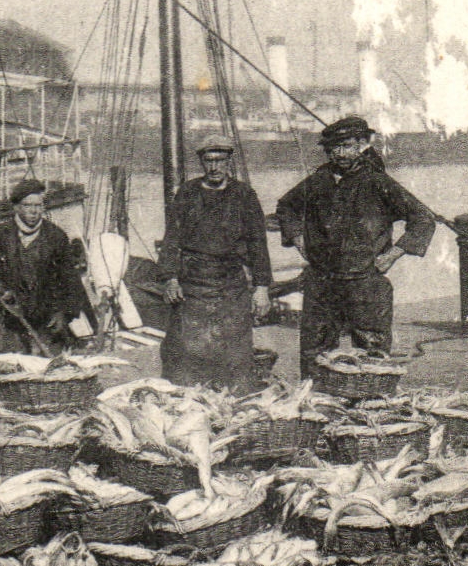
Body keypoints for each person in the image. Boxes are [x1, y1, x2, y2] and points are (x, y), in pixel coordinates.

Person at [276, 115, 436, 379]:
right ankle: (317, 403)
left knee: (372, 354)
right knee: (314, 353)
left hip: (364, 283)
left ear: (361, 145)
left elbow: (422, 218)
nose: (341, 154)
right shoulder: (319, 181)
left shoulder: (377, 182)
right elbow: (285, 207)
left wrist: (393, 254)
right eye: (335, 148)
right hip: (322, 281)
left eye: (348, 146)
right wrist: (297, 238)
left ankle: (370, 404)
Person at [158, 135, 273, 392]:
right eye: (208, 161)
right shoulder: (188, 192)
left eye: (219, 160)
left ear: (229, 161)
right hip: (193, 283)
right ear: (201, 162)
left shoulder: (244, 194)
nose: (214, 167)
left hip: (230, 282)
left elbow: (258, 243)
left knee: (235, 349)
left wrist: (262, 287)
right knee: (185, 350)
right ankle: (186, 400)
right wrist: (170, 278)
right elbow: (172, 238)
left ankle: (234, 400)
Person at [0, 177, 95, 355]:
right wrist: (1, 291)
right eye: (27, 205)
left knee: (53, 368)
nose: (33, 211)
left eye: (38, 205)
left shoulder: (56, 237)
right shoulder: (1, 234)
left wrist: (64, 314)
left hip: (48, 321)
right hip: (14, 321)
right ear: (16, 207)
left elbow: (71, 281)